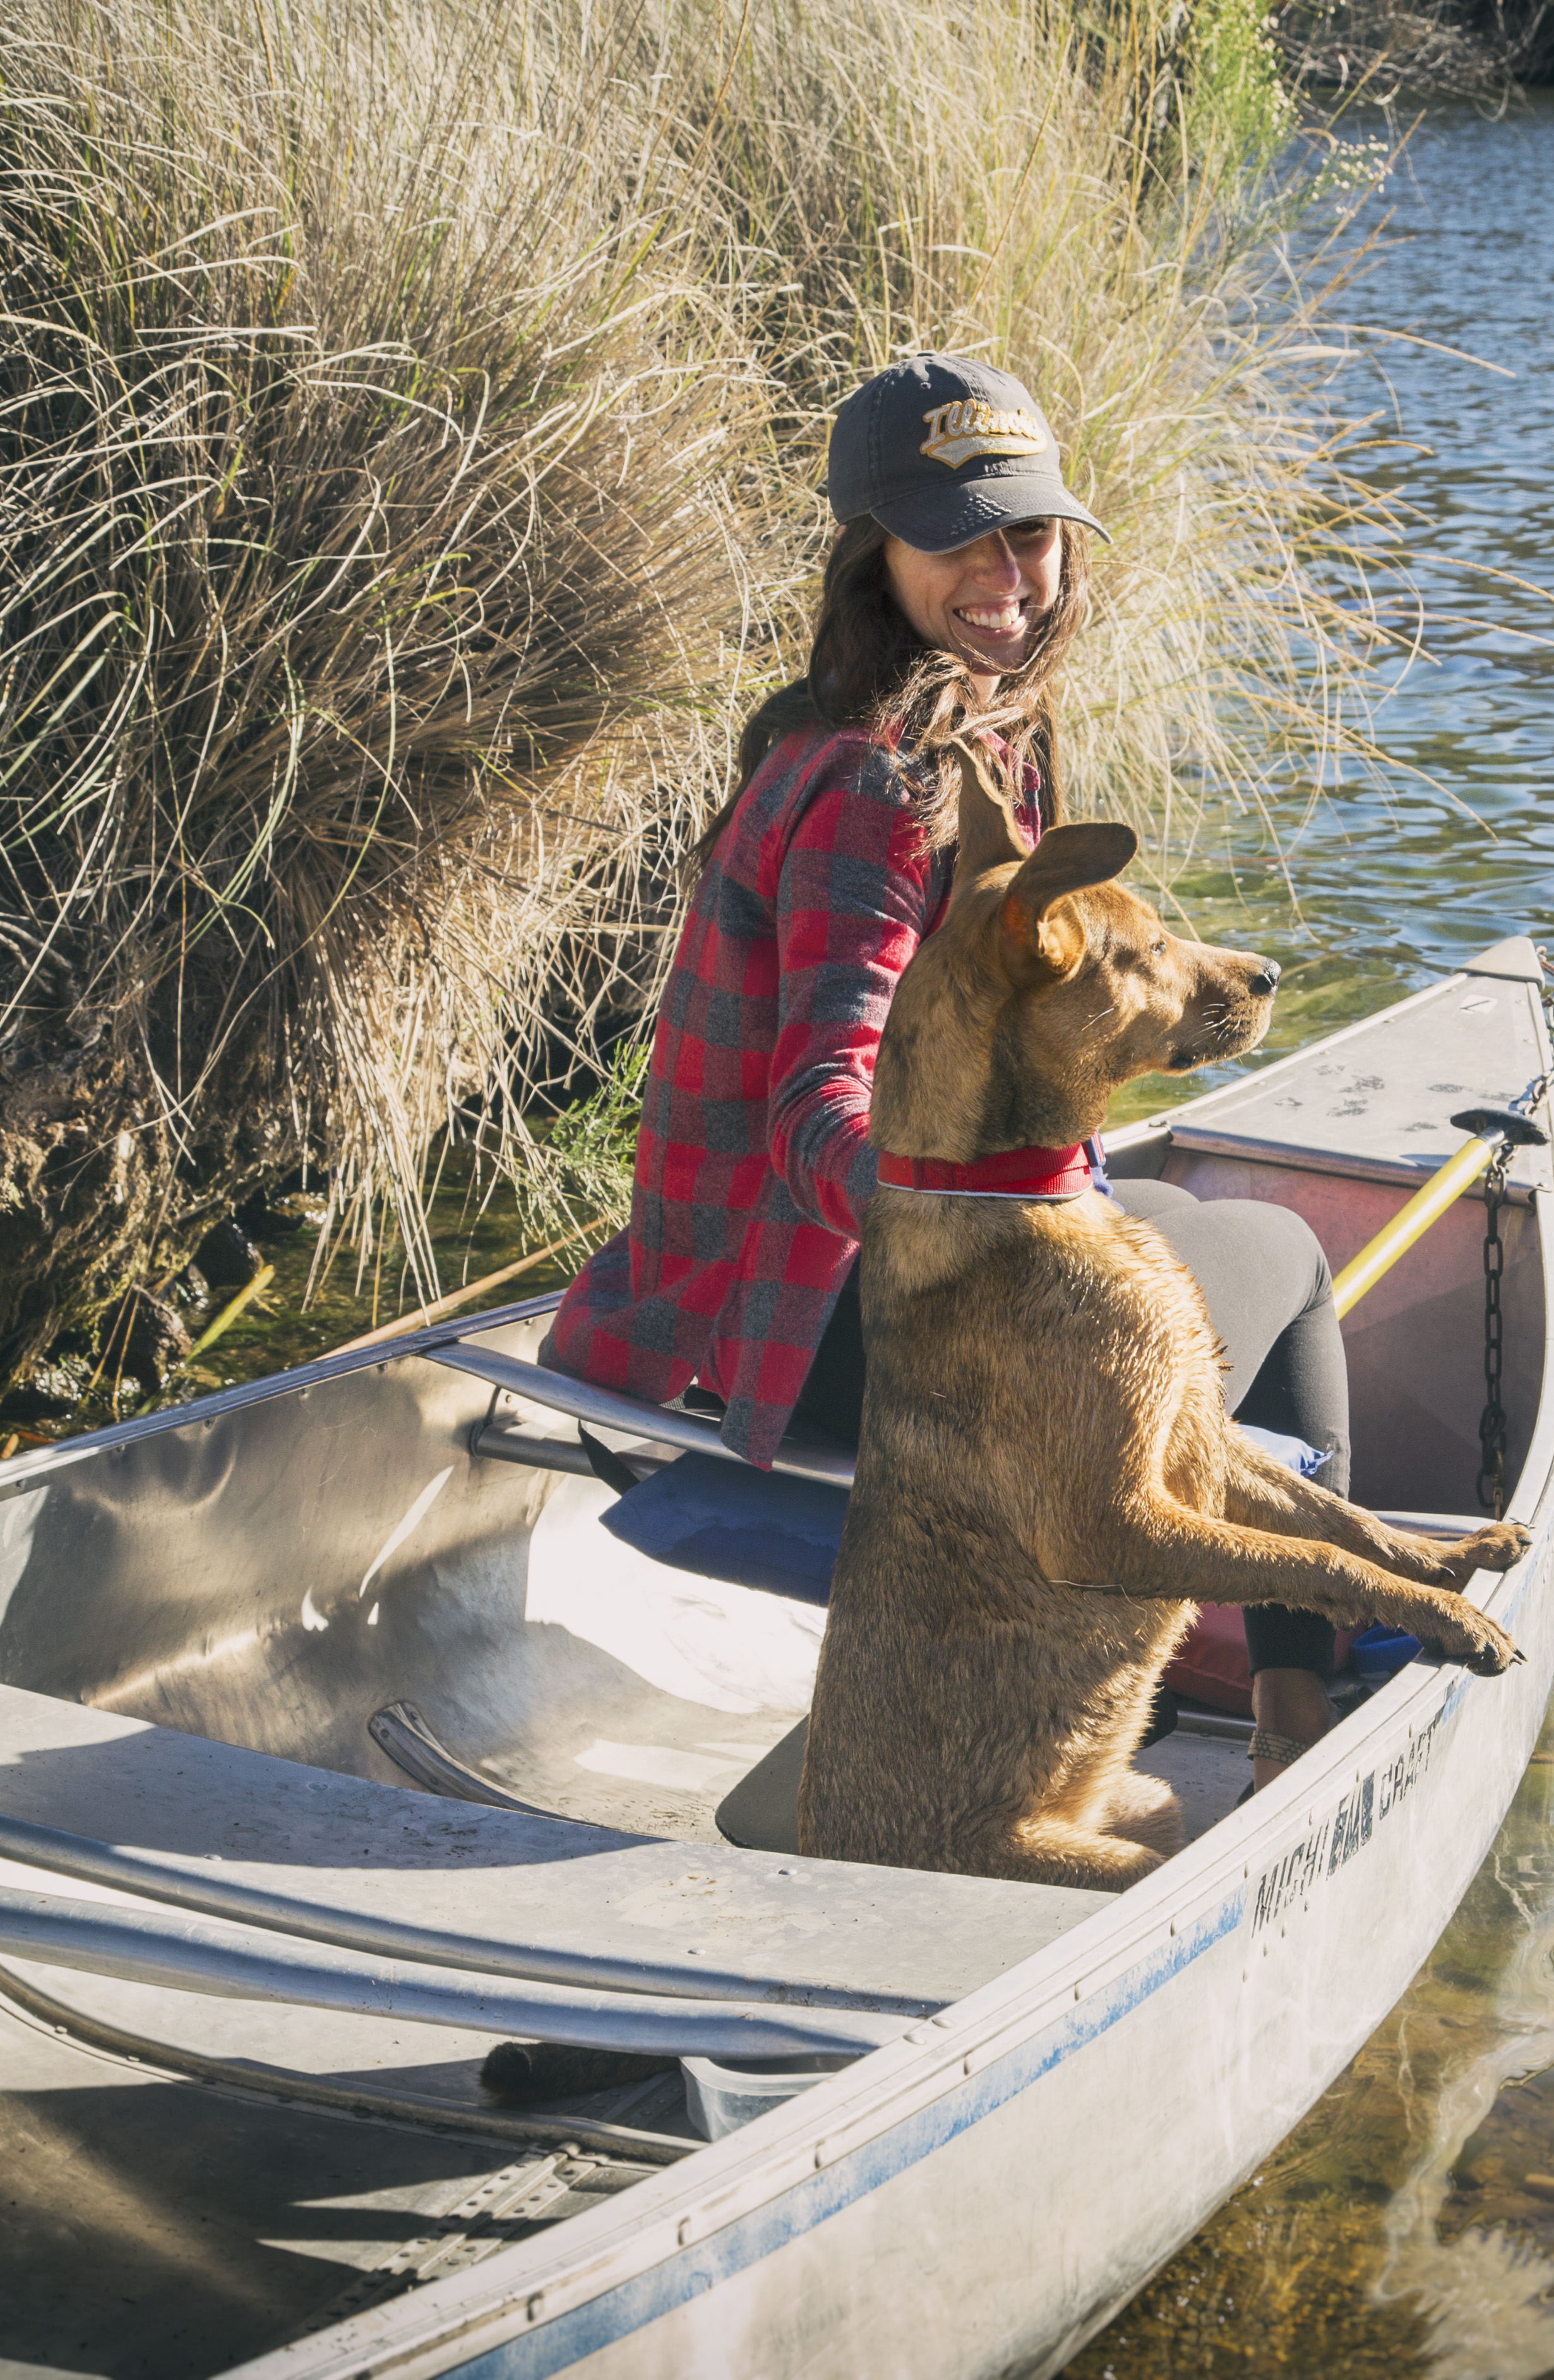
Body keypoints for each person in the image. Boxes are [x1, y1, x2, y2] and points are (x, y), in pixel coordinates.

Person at [545, 354, 1346, 1787]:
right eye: (954, 533)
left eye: (1029, 530)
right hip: (830, 1344)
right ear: (875, 553)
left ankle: (1189, 1673)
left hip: (790, 1307)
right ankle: (1293, 1731)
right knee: (1278, 1253)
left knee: (1173, 1265)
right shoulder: (878, 786)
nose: (1004, 571)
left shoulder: (954, 741)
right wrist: (1003, 1235)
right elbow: (817, 1107)